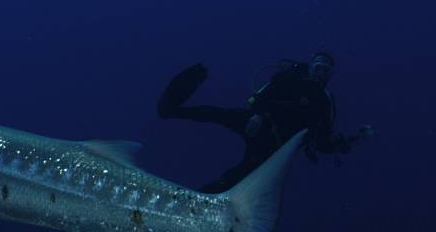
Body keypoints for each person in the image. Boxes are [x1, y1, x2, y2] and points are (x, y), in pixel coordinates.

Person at [156, 51, 371, 193]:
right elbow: (261, 96)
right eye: (318, 66)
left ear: (331, 74)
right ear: (311, 65)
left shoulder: (325, 103)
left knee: (240, 175)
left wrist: (348, 141)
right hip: (259, 123)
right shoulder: (293, 77)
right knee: (218, 114)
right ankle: (171, 110)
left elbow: (321, 142)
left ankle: (196, 198)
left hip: (274, 146)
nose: (320, 72)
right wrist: (258, 115)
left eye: (326, 70)